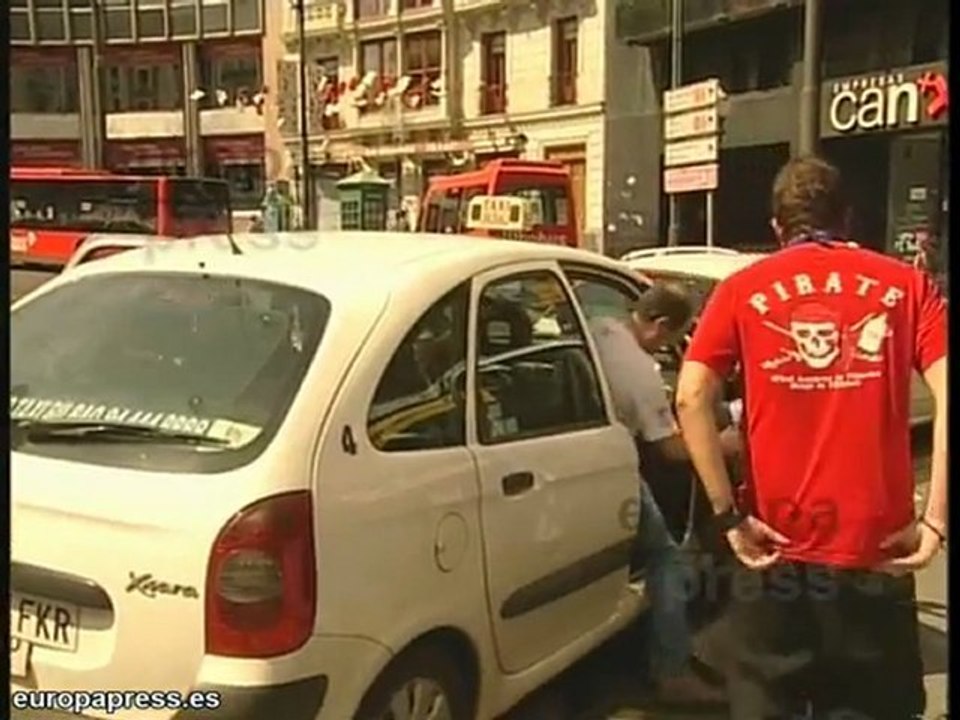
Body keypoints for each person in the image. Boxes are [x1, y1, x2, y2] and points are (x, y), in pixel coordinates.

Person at [675, 155, 948, 720]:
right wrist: (936, 522)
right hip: (877, 554)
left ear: (778, 228)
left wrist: (729, 518)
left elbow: (690, 397)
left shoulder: (741, 289)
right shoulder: (907, 284)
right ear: (847, 220)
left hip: (774, 556)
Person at [586, 282, 741, 706]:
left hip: (578, 459)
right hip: (612, 467)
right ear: (659, 326)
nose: (669, 348)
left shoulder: (601, 329)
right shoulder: (640, 374)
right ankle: (672, 670)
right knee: (667, 559)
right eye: (673, 339)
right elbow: (670, 449)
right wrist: (721, 443)